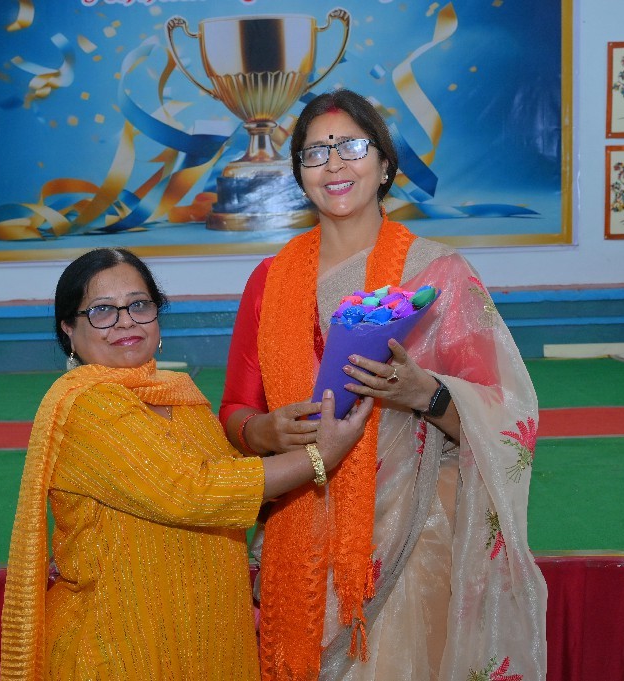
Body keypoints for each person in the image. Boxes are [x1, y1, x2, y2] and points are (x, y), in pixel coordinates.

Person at [220, 89, 547, 681]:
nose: (334, 164)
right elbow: (237, 409)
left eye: (351, 147)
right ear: (299, 174)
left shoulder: (437, 276)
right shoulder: (270, 280)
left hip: (413, 537)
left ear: (385, 165)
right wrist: (264, 430)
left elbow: (507, 413)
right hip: (299, 531)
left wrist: (427, 394)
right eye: (316, 153)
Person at [0, 247, 373, 681]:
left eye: (138, 305)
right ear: (69, 328)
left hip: (204, 641)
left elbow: (236, 488)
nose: (125, 321)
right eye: (102, 311)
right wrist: (319, 457)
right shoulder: (85, 405)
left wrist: (275, 434)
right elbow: (192, 491)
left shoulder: (177, 394)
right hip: (118, 648)